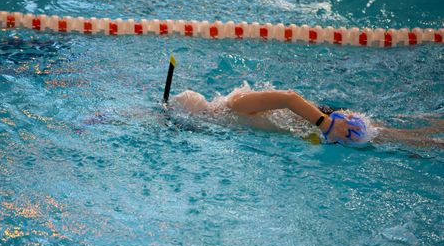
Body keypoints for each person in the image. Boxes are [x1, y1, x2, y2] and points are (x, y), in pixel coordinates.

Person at [172, 87, 444, 149]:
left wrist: (327, 125)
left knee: (404, 139)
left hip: (327, 122)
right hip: (317, 128)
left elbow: (288, 98)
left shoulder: (234, 104)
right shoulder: (227, 122)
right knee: (403, 138)